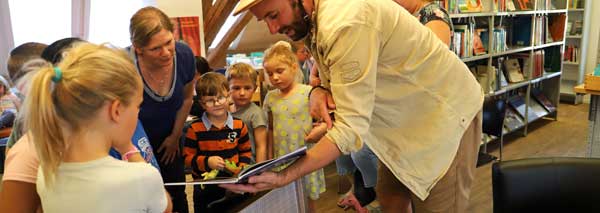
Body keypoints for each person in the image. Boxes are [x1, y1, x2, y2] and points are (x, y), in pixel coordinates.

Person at [225, 0, 484, 213]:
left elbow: (350, 130)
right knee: (390, 195)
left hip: (445, 118)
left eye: (273, 15)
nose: (272, 29)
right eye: (265, 21)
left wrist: (284, 177)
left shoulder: (345, 21)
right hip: (402, 125)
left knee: (438, 207)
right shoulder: (313, 17)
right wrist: (318, 89)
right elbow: (337, 75)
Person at [19, 43, 171, 212]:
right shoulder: (141, 178)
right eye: (138, 106)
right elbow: (166, 207)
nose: (138, 113)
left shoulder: (46, 175)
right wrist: (129, 149)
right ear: (116, 110)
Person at [129, 6, 196, 212]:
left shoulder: (184, 55)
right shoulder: (126, 66)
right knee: (143, 197)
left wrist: (175, 136)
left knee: (176, 191)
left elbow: (186, 99)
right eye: (156, 48)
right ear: (138, 48)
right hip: (133, 142)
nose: (166, 52)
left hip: (170, 137)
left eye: (169, 42)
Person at [262, 41, 326, 212]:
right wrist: (268, 159)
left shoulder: (308, 92)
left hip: (306, 155)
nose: (274, 77)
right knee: (285, 200)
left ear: (293, 67)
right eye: (270, 73)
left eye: (279, 71)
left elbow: (321, 121)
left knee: (308, 198)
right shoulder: (270, 97)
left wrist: (320, 131)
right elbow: (270, 128)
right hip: (282, 157)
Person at [183, 72, 252, 212]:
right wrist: (207, 162)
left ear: (228, 96)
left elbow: (245, 151)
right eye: (210, 100)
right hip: (205, 188)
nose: (217, 103)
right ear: (202, 103)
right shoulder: (194, 128)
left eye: (220, 98)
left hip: (233, 184)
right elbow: (187, 159)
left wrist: (240, 168)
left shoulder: (239, 125)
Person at [226, 62, 268, 163]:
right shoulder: (225, 113)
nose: (242, 93)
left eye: (247, 88)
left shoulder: (256, 114)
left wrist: (259, 171)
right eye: (236, 88)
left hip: (249, 167)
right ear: (228, 88)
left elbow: (261, 146)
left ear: (255, 88)